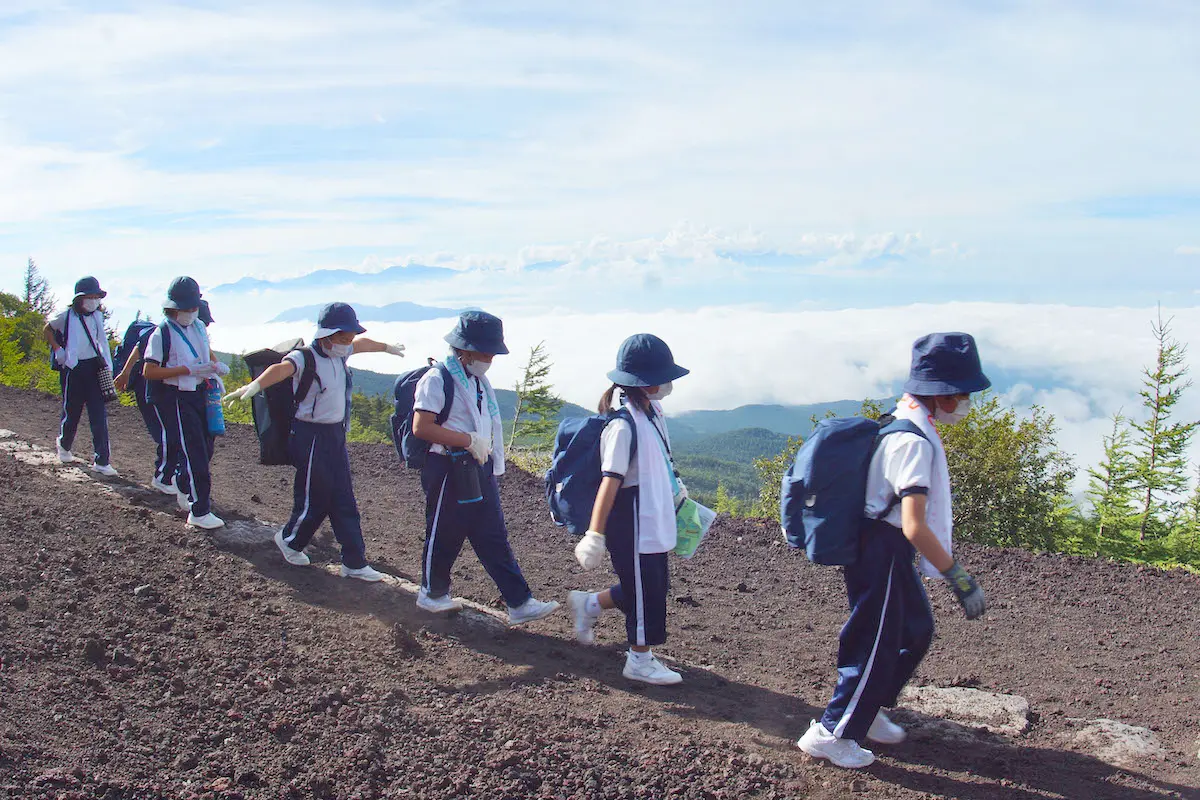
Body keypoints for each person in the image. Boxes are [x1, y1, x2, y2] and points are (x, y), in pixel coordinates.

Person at [797, 332, 990, 769]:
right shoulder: (913, 441)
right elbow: (914, 524)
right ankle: (831, 733)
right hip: (881, 549)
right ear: (937, 395)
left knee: (915, 630)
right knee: (875, 643)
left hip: (886, 548)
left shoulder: (907, 422)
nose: (965, 402)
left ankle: (869, 710)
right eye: (960, 394)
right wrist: (959, 578)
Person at [223, 302, 404, 581]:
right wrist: (254, 386)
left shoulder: (339, 353)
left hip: (335, 435)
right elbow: (280, 370)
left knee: (344, 497)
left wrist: (387, 347)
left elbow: (362, 343)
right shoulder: (304, 357)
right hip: (310, 435)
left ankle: (354, 561)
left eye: (349, 337)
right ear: (328, 334)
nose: (349, 342)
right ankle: (290, 540)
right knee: (314, 496)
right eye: (344, 337)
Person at [410, 310, 559, 625]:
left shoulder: (478, 383)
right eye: (485, 351)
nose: (490, 357)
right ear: (464, 349)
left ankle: (519, 601)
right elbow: (421, 427)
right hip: (448, 465)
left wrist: (481, 451)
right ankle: (431, 593)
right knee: (445, 530)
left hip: (477, 464)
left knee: (492, 534)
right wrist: (465, 440)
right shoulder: (438, 379)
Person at [569, 334, 691, 685]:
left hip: (651, 511)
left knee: (652, 585)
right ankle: (639, 660)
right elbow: (610, 481)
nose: (667, 384)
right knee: (644, 589)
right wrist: (595, 534)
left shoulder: (651, 412)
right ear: (645, 381)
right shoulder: (622, 425)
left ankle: (589, 604)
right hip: (632, 517)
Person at [142, 278, 228, 530]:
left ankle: (182, 485)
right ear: (173, 308)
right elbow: (149, 371)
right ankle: (199, 510)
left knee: (207, 446)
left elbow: (204, 349)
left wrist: (214, 364)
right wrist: (186, 370)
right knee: (194, 452)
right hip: (177, 397)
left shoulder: (199, 326)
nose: (191, 313)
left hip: (201, 394)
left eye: (194, 308)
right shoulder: (163, 333)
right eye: (187, 309)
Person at [115, 300, 216, 496]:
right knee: (168, 436)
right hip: (156, 390)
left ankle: (173, 477)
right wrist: (126, 372)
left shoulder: (197, 336)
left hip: (178, 392)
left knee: (181, 438)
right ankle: (164, 476)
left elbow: (210, 359)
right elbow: (140, 351)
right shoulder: (165, 333)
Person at [43, 276, 117, 476]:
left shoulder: (97, 317)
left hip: (94, 367)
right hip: (74, 368)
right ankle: (64, 445)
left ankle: (102, 459)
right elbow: (47, 330)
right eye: (89, 297)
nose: (93, 301)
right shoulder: (66, 316)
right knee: (72, 411)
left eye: (96, 297)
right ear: (80, 298)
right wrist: (58, 349)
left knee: (98, 414)